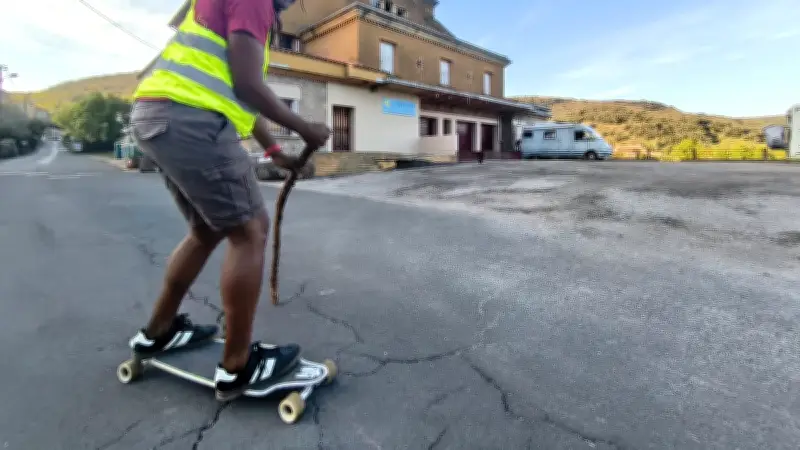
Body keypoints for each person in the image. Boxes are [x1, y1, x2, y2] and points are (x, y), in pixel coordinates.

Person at [126, 0, 330, 402]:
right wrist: (305, 128)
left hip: (158, 117)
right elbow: (248, 86)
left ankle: (159, 331)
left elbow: (240, 97)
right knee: (250, 232)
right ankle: (238, 365)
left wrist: (275, 153)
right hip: (192, 120)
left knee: (206, 229)